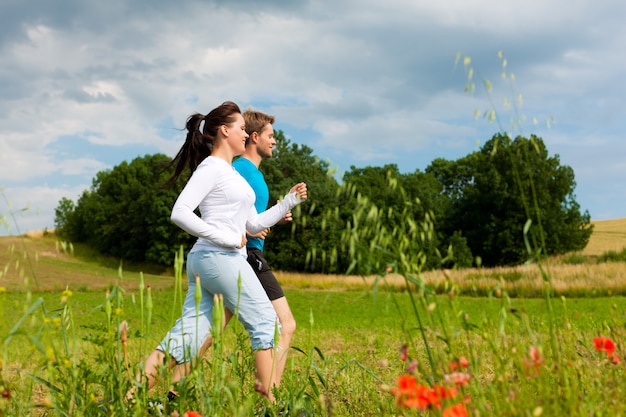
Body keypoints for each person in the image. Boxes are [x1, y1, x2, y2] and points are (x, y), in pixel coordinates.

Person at [131, 101, 307, 405]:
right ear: (225, 131)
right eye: (241, 128)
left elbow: (251, 224)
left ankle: (130, 398)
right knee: (266, 321)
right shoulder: (211, 167)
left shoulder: (231, 174)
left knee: (188, 335)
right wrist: (225, 237)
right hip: (219, 258)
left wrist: (287, 204)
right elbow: (180, 212)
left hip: (213, 261)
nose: (245, 133)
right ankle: (270, 405)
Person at [232, 109, 296, 388]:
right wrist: (245, 230)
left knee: (207, 329)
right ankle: (271, 392)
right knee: (286, 325)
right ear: (254, 137)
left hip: (248, 252)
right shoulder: (241, 168)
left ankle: (172, 392)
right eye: (271, 136)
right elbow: (223, 208)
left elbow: (251, 218)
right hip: (247, 255)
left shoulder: (254, 173)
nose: (275, 141)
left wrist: (276, 218)